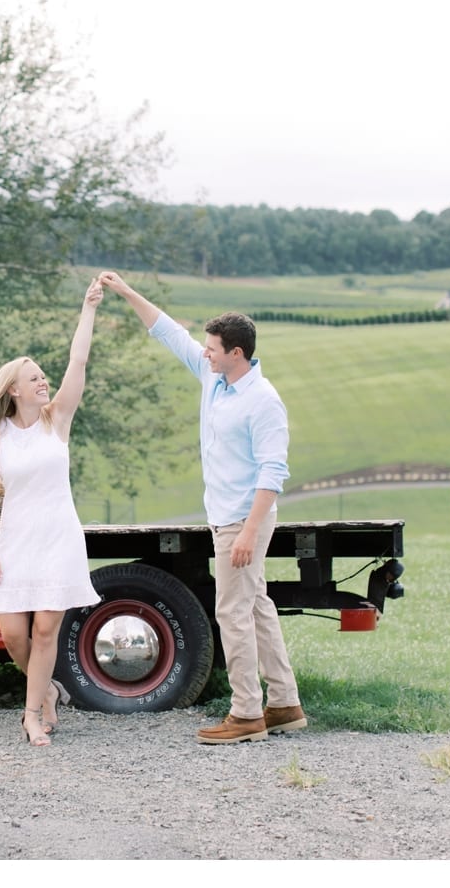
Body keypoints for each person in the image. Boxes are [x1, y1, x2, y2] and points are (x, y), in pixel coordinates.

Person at [99, 271, 306, 745]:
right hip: (227, 517)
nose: (204, 352)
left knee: (232, 612)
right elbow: (168, 331)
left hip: (244, 520)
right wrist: (128, 292)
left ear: (237, 353)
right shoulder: (214, 380)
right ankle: (285, 703)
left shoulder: (263, 401)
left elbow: (272, 475)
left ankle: (247, 713)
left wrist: (250, 534)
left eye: (212, 348)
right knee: (256, 608)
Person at [0, 278, 104, 747]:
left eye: (44, 375)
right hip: (16, 542)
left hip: (59, 536)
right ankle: (49, 690)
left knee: (44, 630)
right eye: (35, 377)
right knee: (16, 638)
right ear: (14, 390)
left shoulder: (57, 419)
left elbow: (78, 361)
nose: (44, 381)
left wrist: (89, 309)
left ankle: (32, 715)